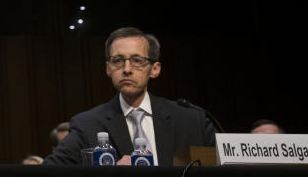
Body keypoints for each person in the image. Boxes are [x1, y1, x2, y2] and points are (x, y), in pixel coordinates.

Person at [43, 27, 216, 166]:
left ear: (154, 69)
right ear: (108, 69)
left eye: (137, 60)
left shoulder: (192, 120)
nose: (126, 69)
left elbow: (229, 168)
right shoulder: (87, 125)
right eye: (118, 60)